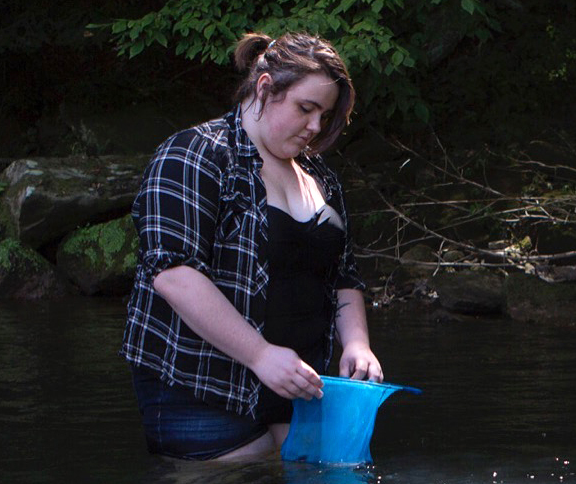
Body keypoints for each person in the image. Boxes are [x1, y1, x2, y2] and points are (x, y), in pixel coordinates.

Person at [122, 31, 383, 461]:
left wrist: (357, 344)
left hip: (297, 394)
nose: (316, 126)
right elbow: (174, 275)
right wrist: (261, 355)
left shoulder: (321, 178)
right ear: (265, 89)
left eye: (325, 115)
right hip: (201, 393)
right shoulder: (193, 155)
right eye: (306, 108)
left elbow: (344, 275)